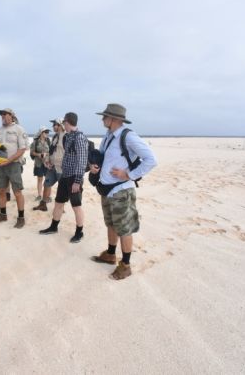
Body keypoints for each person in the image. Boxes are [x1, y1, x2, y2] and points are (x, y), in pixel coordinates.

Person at [89, 103, 157, 280]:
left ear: (114, 119)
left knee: (124, 229)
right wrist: (95, 167)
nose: (102, 119)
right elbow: (106, 158)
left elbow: (151, 159)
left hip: (121, 191)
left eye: (105, 116)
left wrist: (129, 174)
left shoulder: (128, 137)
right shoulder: (108, 135)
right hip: (107, 190)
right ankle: (111, 254)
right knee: (111, 224)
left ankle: (125, 265)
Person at [39, 112, 88, 243]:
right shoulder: (68, 136)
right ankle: (53, 227)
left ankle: (79, 232)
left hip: (74, 178)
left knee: (76, 206)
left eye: (63, 123)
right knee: (58, 202)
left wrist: (77, 181)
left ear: (67, 122)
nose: (62, 125)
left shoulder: (79, 137)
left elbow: (82, 161)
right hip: (65, 176)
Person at [0, 108, 28, 228]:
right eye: (1, 115)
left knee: (17, 192)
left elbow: (22, 149)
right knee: (1, 190)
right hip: (1, 165)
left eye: (4, 114)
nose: (2, 116)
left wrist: (8, 160)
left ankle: (21, 218)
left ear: (11, 116)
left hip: (14, 165)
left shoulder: (19, 129)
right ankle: (2, 215)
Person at [33, 118, 65, 212]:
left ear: (60, 125)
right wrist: (47, 160)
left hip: (61, 168)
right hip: (52, 166)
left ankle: (61, 208)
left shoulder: (66, 137)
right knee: (46, 184)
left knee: (62, 188)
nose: (53, 126)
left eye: (55, 124)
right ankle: (43, 204)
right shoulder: (55, 137)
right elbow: (50, 151)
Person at [30, 126, 50, 201]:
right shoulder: (35, 142)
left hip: (47, 163)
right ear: (41, 133)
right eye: (46, 132)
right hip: (38, 163)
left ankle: (47, 196)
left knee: (48, 179)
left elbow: (51, 152)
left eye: (48, 132)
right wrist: (38, 154)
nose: (47, 133)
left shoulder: (48, 141)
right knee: (40, 179)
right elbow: (32, 152)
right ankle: (39, 195)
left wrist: (46, 154)